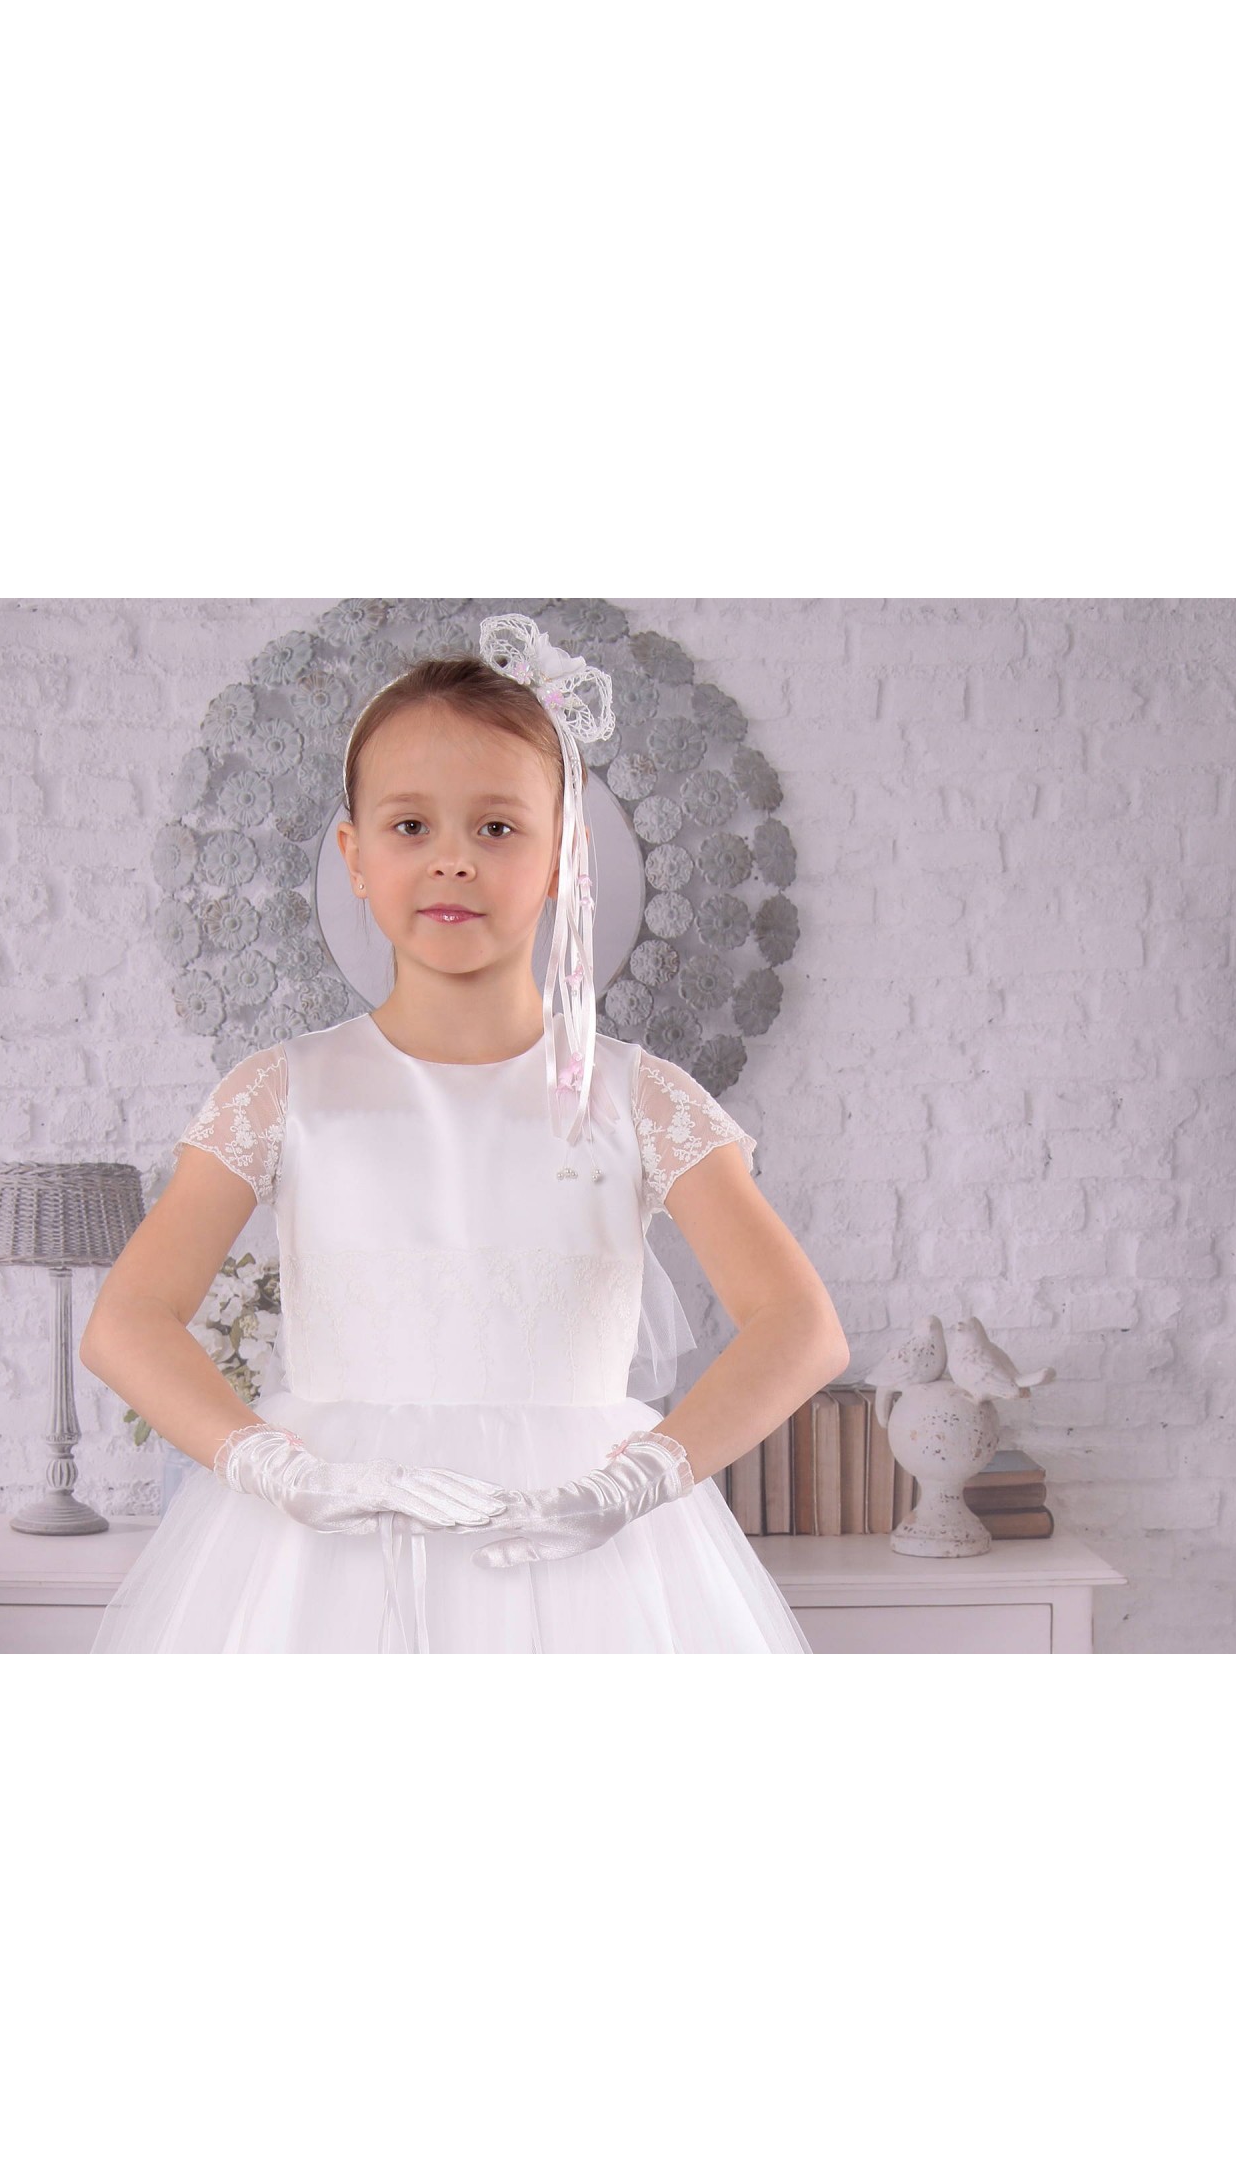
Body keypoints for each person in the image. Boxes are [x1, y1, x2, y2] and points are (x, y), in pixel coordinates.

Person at [82, 616, 847, 1652]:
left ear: (563, 855)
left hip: (585, 1552)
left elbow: (801, 1327)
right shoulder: (286, 1093)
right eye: (410, 827)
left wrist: (638, 1481)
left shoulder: (637, 1099)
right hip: (330, 1551)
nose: (451, 861)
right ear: (354, 857)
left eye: (496, 828)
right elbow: (126, 1320)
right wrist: (277, 1468)